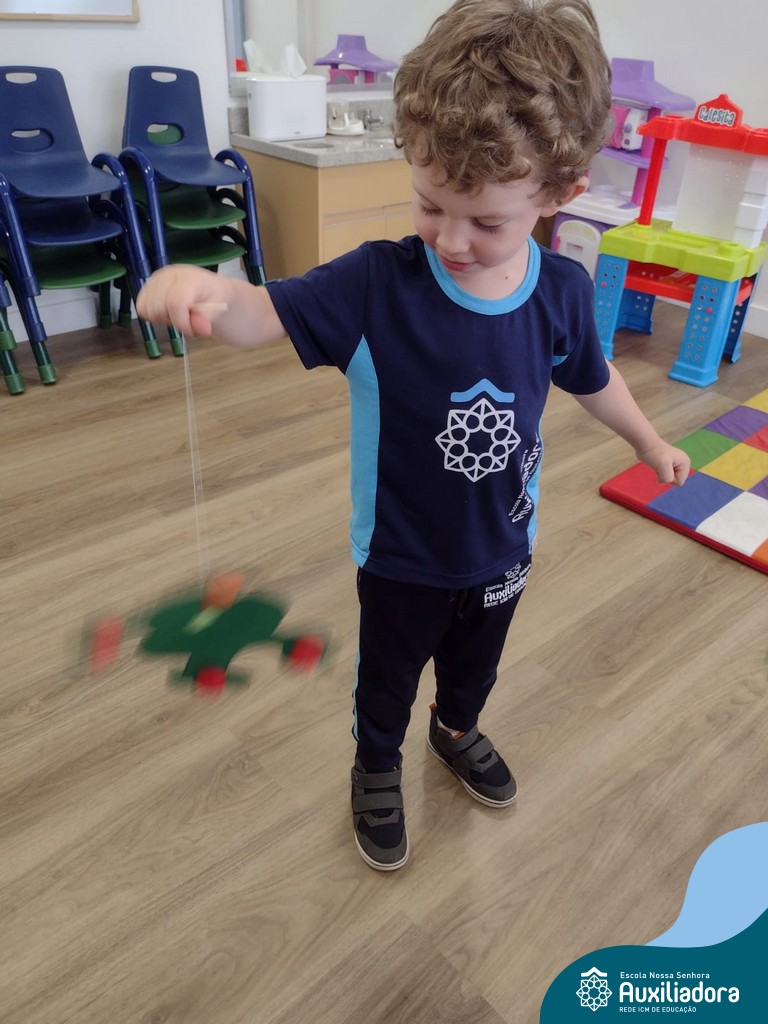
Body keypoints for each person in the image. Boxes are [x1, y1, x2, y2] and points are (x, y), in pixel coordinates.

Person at [137, 0, 691, 872]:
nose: (451, 241)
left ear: (559, 196)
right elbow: (263, 312)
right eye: (432, 205)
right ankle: (376, 761)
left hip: (505, 544)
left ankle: (457, 728)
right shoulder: (375, 285)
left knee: (475, 668)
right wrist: (208, 291)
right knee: (388, 678)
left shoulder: (561, 292)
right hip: (401, 556)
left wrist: (647, 442)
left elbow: (591, 377)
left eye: (487, 222)